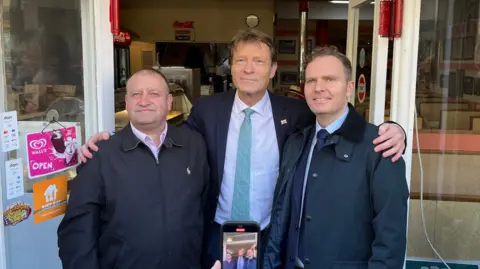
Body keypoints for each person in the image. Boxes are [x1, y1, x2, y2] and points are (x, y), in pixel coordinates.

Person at [78, 29, 407, 268]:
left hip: (269, 236)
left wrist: (393, 130)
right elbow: (165, 136)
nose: (249, 68)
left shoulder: (294, 114)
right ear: (230, 67)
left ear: (273, 70)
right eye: (241, 60)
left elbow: (335, 117)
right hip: (219, 234)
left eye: (259, 61)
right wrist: (113, 139)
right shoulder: (208, 111)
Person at [262, 46, 409, 269]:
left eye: (330, 79)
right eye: (311, 81)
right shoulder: (296, 142)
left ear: (350, 87)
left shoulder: (380, 148)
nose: (319, 88)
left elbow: (391, 238)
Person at [57, 69, 210, 269]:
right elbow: (76, 234)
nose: (144, 100)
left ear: (169, 101)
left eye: (154, 94)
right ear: (127, 102)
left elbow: (205, 209)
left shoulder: (194, 145)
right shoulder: (100, 155)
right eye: (136, 94)